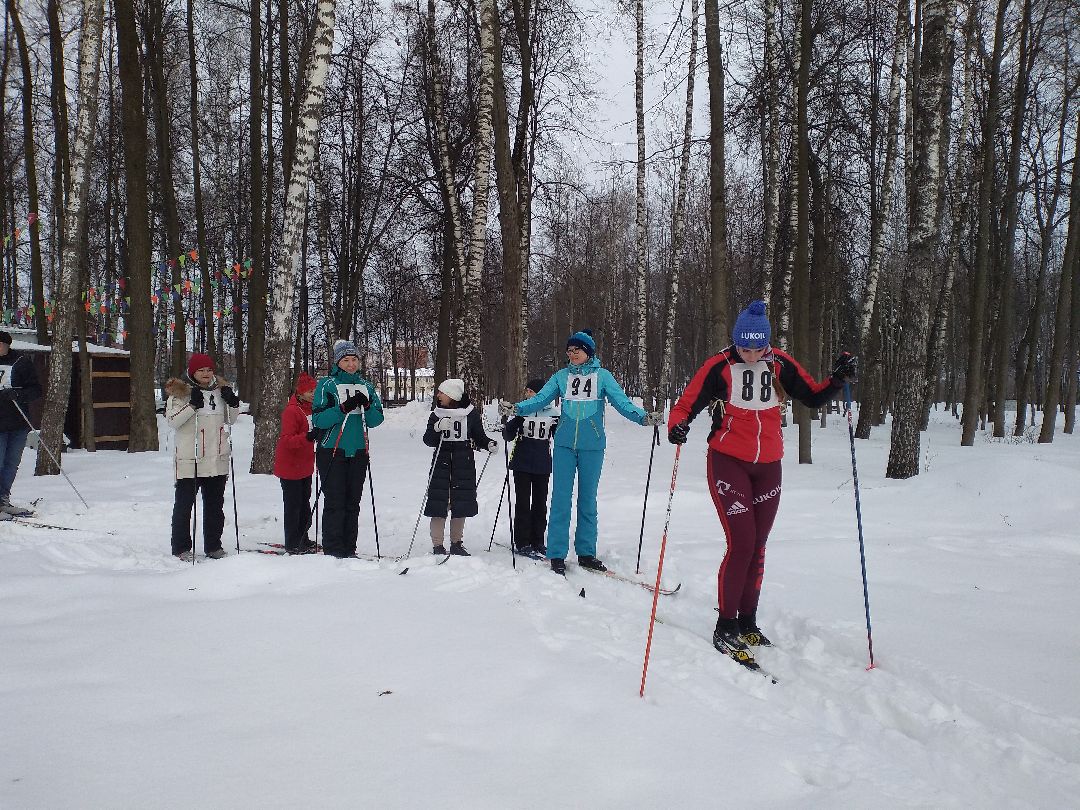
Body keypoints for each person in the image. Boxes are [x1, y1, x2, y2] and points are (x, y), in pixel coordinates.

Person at [666, 300, 857, 666]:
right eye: (744, 348)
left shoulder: (780, 363)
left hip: (769, 466)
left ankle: (748, 621)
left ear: (767, 344)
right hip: (727, 461)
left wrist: (837, 379)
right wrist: (678, 424)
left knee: (759, 546)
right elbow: (687, 403)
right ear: (735, 342)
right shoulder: (719, 366)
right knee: (742, 542)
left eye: (758, 349)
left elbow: (812, 397)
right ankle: (726, 625)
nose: (751, 356)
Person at [500, 329, 664, 575]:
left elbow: (622, 402)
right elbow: (541, 399)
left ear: (588, 351)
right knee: (560, 500)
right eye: (569, 350)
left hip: (592, 445)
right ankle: (556, 553)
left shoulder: (603, 376)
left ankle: (586, 552)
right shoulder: (561, 376)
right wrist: (517, 408)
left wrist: (643, 418)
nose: (572, 354)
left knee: (587, 500)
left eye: (577, 350)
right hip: (565, 445)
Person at [311, 340, 384, 558]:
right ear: (338, 362)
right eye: (346, 360)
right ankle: (333, 550)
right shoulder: (327, 384)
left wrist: (368, 406)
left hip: (359, 452)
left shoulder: (367, 386)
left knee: (353, 503)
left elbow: (376, 420)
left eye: (354, 360)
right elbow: (319, 420)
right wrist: (343, 408)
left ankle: (349, 548)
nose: (351, 364)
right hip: (332, 450)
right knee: (335, 503)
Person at [165, 353, 241, 560]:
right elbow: (172, 422)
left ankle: (213, 545)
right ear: (193, 372)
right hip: (191, 459)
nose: (206, 374)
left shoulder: (219, 391)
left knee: (215, 506)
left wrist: (233, 403)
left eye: (209, 370)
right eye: (201, 370)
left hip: (216, 458)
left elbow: (230, 420)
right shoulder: (180, 394)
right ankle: (181, 547)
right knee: (184, 505)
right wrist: (191, 406)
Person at [423, 378, 498, 556]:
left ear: (452, 395)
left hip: (463, 462)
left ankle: (456, 543)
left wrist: (488, 444)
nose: (438, 395)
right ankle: (437, 545)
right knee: (439, 503)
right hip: (441, 463)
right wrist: (437, 428)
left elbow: (479, 436)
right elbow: (428, 440)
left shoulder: (470, 414)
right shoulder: (436, 414)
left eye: (442, 392)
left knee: (460, 503)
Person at [502, 378, 558, 557]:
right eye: (527, 391)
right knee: (523, 502)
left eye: (531, 392)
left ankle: (538, 540)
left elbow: (559, 436)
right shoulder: (523, 411)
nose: (527, 394)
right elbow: (508, 435)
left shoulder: (553, 413)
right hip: (522, 462)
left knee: (540, 503)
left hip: (542, 463)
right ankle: (522, 541)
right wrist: (506, 420)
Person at [273, 372, 319, 554]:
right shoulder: (292, 411)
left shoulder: (312, 409)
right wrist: (307, 437)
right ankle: (292, 542)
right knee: (293, 505)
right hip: (290, 466)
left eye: (315, 390)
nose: (313, 393)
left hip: (305, 465)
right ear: (299, 393)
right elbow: (287, 440)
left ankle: (303, 537)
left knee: (304, 504)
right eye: (309, 391)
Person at [0, 330, 42, 519]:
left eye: (1, 344)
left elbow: (35, 390)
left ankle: (3, 500)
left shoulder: (21, 362)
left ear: (8, 345)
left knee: (11, 463)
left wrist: (18, 395)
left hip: (18, 422)